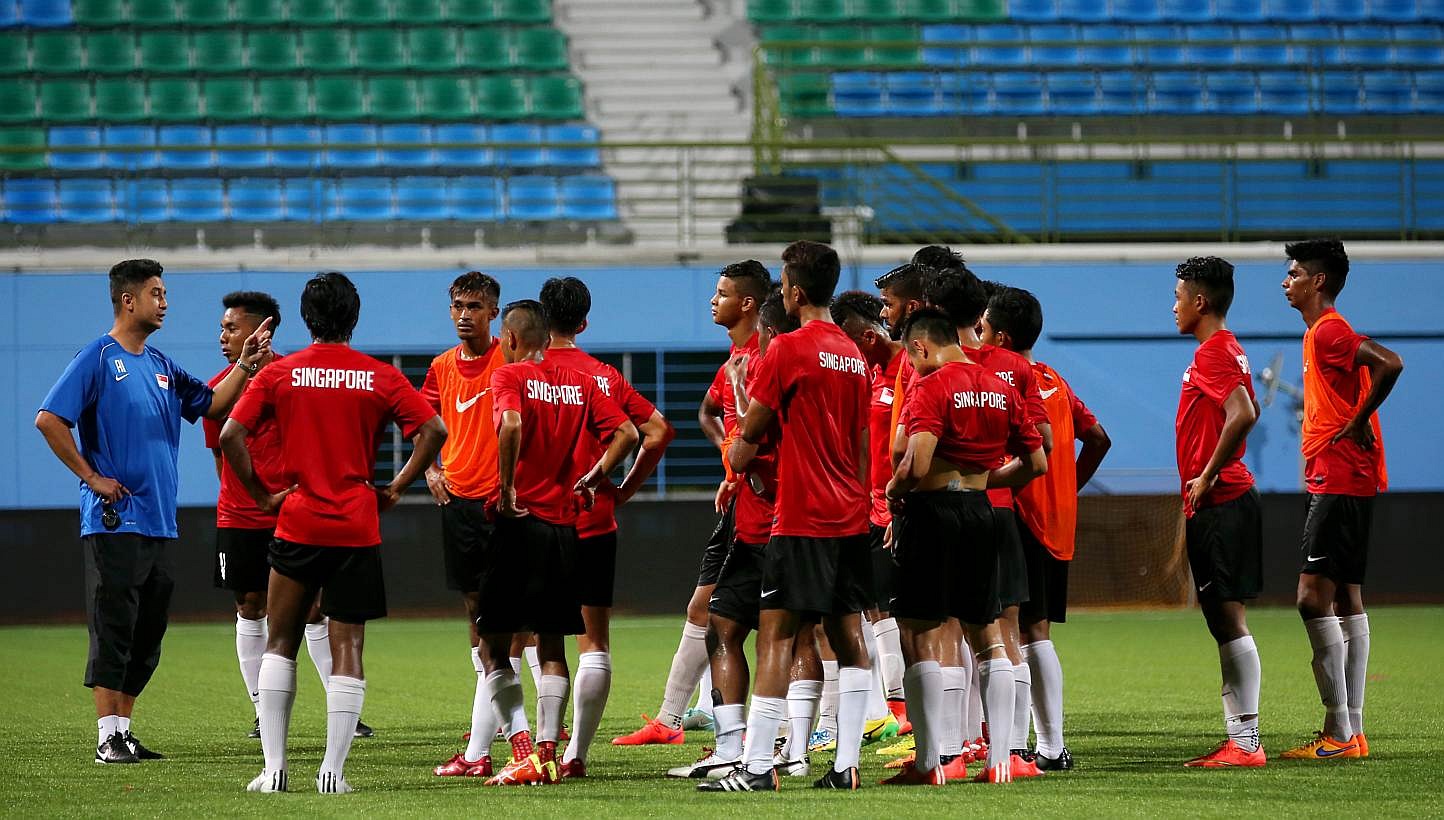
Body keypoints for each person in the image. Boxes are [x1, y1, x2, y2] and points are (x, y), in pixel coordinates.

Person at [36, 259, 272, 765]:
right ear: (128, 300)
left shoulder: (162, 365)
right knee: (114, 626)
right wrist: (92, 478)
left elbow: (211, 405)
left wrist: (246, 366)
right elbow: (49, 419)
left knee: (146, 633)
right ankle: (106, 736)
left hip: (161, 520)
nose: (164, 302)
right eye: (157, 293)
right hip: (114, 520)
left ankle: (123, 732)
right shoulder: (98, 358)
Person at [223, 272, 445, 793]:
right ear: (354, 317)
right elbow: (433, 429)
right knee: (348, 645)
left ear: (306, 319)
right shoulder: (379, 376)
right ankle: (333, 772)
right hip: (356, 525)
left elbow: (232, 433)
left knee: (279, 642)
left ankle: (274, 769)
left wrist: (260, 496)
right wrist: (395, 488)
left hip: (298, 522)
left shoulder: (281, 374)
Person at [702, 240, 872, 793]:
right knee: (849, 638)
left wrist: (737, 450)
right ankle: (846, 764)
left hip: (801, 516)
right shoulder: (853, 353)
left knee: (776, 637)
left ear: (794, 291)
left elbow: (748, 437)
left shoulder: (787, 350)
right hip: (851, 514)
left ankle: (755, 767)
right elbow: (862, 436)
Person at [476, 300, 640, 787]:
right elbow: (628, 432)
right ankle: (550, 755)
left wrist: (506, 490)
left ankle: (524, 747)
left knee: (494, 645)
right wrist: (595, 475)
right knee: (552, 643)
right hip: (565, 526)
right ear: (547, 339)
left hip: (519, 521)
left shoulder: (508, 377)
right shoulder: (583, 383)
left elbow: (509, 423)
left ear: (508, 338)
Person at [883, 308, 1047, 785]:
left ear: (918, 346)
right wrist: (983, 479)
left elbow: (918, 463)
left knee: (918, 634)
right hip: (981, 512)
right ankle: (1000, 761)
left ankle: (929, 762)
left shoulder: (930, 386)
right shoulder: (1001, 386)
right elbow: (1036, 461)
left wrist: (894, 491)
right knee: (987, 635)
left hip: (932, 514)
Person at [614, 261, 771, 747]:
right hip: (740, 498)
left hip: (768, 506)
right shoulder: (734, 360)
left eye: (721, 293)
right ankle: (672, 720)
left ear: (747, 303)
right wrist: (731, 460)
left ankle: (800, 729)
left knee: (777, 622)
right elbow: (707, 411)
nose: (712, 300)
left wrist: (745, 467)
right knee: (706, 608)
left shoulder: (764, 357)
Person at [538, 276, 675, 777]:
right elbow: (658, 431)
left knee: (536, 639)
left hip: (537, 520)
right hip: (594, 519)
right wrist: (625, 489)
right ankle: (577, 754)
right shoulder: (603, 376)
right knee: (594, 641)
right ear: (584, 321)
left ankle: (537, 747)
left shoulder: (527, 373)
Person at [920, 266, 1052, 779]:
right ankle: (1014, 752)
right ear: (982, 314)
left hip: (947, 510)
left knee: (947, 630)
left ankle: (951, 751)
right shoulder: (1010, 368)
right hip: (999, 513)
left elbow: (912, 449)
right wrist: (997, 478)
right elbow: (1043, 448)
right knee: (1007, 631)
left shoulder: (930, 366)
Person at [1279, 240, 1403, 761]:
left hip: (1339, 478)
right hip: (1347, 477)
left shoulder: (1329, 329)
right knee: (1348, 597)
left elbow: (1390, 363)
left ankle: (1338, 731)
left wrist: (1354, 422)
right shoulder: (1318, 332)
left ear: (1319, 282)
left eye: (1294, 273)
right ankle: (1352, 732)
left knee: (1312, 597)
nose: (1286, 281)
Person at [980, 285, 1112, 771]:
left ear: (1003, 335)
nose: (979, 331)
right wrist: (1067, 487)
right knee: (1039, 632)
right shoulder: (1055, 379)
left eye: (985, 325)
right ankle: (1051, 747)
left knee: (1014, 631)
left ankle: (1018, 747)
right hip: (1057, 519)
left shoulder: (1005, 377)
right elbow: (1098, 438)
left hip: (1022, 516)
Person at [669, 289, 798, 781]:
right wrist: (736, 475)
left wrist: (742, 408)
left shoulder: (771, 372)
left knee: (743, 632)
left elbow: (746, 448)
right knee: (763, 630)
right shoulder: (824, 366)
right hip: (786, 519)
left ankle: (748, 752)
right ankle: (792, 747)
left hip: (771, 525)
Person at [1169, 257, 1267, 769]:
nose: (1175, 305)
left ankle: (1246, 742)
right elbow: (1250, 407)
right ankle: (1240, 738)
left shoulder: (1214, 352)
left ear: (1200, 302)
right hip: (1222, 498)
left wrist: (1206, 474)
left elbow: (1245, 413)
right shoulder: (1226, 351)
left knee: (1227, 620)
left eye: (1180, 296)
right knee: (1222, 620)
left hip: (1221, 499)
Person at [420, 272, 514, 779]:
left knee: (508, 622)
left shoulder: (510, 360)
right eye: (458, 304)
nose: (464, 314)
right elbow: (421, 421)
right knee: (477, 618)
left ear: (494, 312)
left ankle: (498, 732)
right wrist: (431, 470)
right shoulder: (440, 367)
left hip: (502, 507)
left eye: (475, 306)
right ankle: (497, 718)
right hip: (458, 505)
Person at [831, 291, 911, 732]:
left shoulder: (909, 369)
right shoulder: (871, 373)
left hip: (898, 511)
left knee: (899, 614)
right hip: (866, 510)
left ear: (867, 337)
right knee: (871, 610)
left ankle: (907, 717)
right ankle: (888, 713)